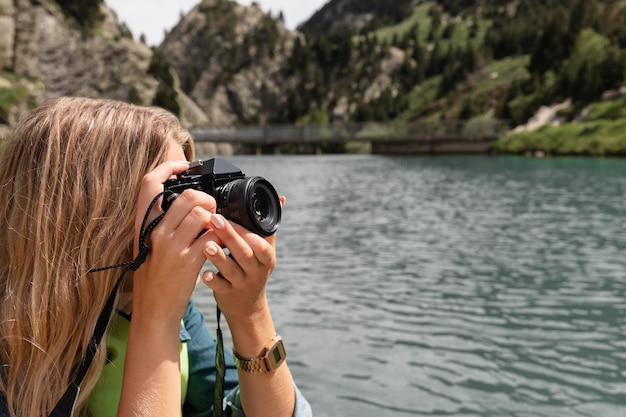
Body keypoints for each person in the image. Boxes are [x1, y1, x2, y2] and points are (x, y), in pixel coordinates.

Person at [0, 97, 312, 417]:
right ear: (94, 218)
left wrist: (251, 313)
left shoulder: (169, 310)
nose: (199, 217)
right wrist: (156, 321)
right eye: (173, 195)